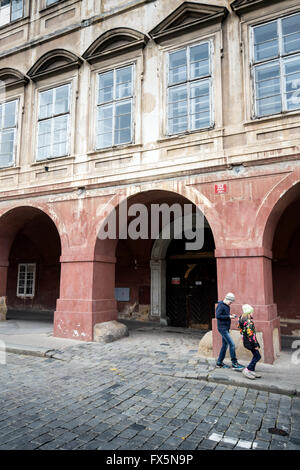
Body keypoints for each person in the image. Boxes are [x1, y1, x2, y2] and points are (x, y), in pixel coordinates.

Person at [216, 292, 244, 369]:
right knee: (232, 344)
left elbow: (225, 315)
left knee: (225, 345)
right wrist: (229, 317)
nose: (231, 303)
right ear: (227, 299)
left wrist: (231, 315)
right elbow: (218, 316)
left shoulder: (226, 306)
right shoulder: (221, 305)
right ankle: (234, 363)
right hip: (222, 328)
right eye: (230, 302)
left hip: (226, 328)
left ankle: (219, 363)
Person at [238, 304, 262, 380]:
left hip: (246, 341)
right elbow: (251, 335)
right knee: (258, 356)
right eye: (252, 312)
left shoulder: (241, 319)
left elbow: (241, 331)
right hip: (250, 342)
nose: (253, 313)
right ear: (248, 313)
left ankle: (251, 370)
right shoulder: (249, 322)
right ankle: (247, 369)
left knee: (255, 355)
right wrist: (255, 344)